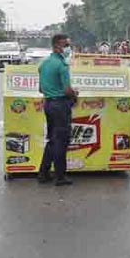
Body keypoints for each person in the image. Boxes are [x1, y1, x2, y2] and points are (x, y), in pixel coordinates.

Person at [38, 34, 79, 186]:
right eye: (66, 45)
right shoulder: (61, 65)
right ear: (58, 46)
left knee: (52, 140)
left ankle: (43, 173)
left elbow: (41, 88)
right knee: (61, 141)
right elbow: (67, 90)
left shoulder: (44, 64)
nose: (69, 48)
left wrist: (53, 91)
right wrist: (74, 94)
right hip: (60, 106)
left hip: (48, 104)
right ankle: (60, 176)